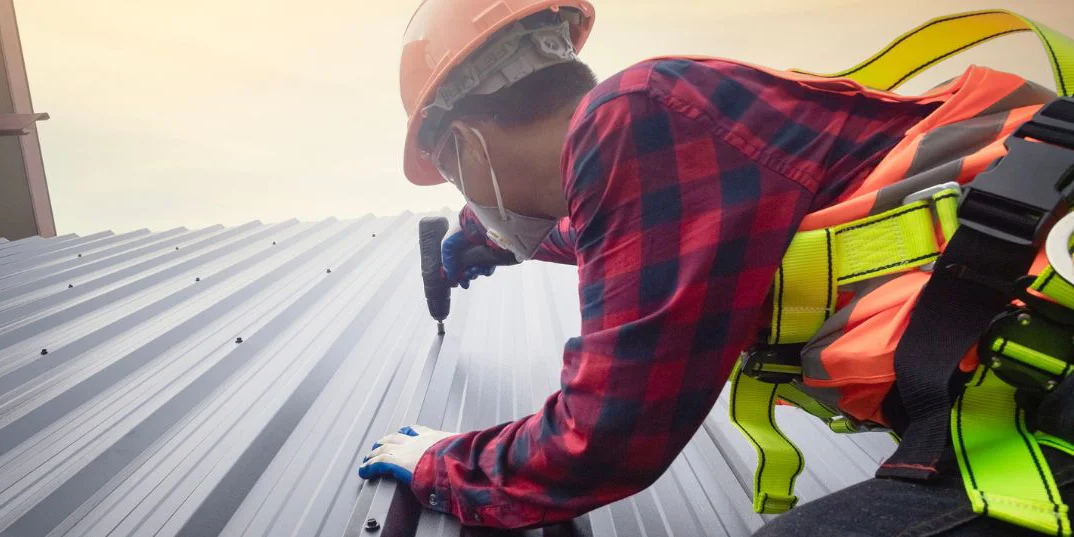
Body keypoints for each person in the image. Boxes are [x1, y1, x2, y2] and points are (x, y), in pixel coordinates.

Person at [359, 1, 1074, 534]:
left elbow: (600, 441)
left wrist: (437, 462)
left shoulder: (630, 119)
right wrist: (487, 242)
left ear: (459, 145)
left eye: (455, 180)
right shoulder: (656, 133)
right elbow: (629, 241)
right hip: (1027, 381)